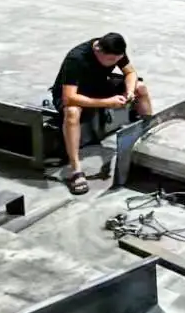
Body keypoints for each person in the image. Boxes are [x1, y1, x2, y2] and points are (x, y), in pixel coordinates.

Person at [51, 32, 150, 194]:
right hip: (75, 94)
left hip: (98, 86)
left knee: (141, 88)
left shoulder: (114, 48)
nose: (115, 63)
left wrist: (130, 91)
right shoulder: (76, 59)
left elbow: (130, 73)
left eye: (117, 60)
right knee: (72, 112)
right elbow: (69, 97)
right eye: (111, 60)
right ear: (97, 50)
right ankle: (76, 171)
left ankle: (147, 136)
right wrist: (107, 103)